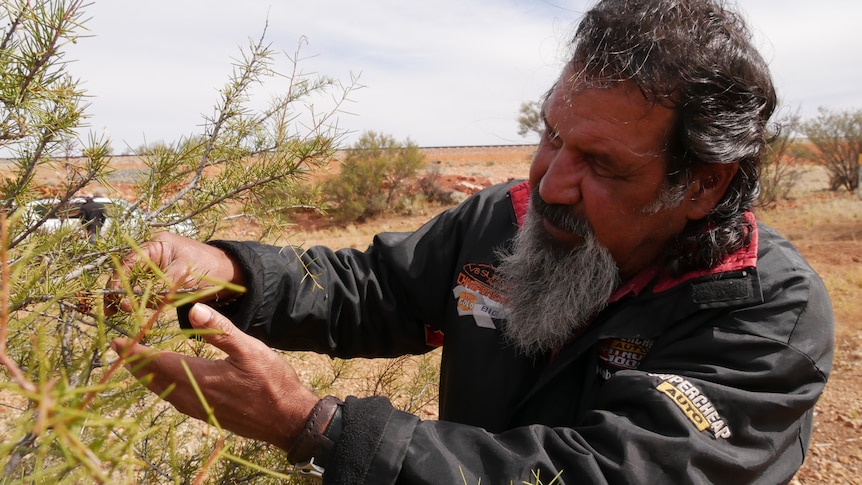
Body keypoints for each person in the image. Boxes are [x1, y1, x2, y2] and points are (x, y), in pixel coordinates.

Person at [108, 0, 834, 483]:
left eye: (603, 164)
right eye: (552, 134)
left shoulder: (766, 313)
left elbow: (603, 473)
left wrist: (320, 427)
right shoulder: (506, 217)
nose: (551, 182)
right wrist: (226, 269)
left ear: (702, 184)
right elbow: (379, 290)